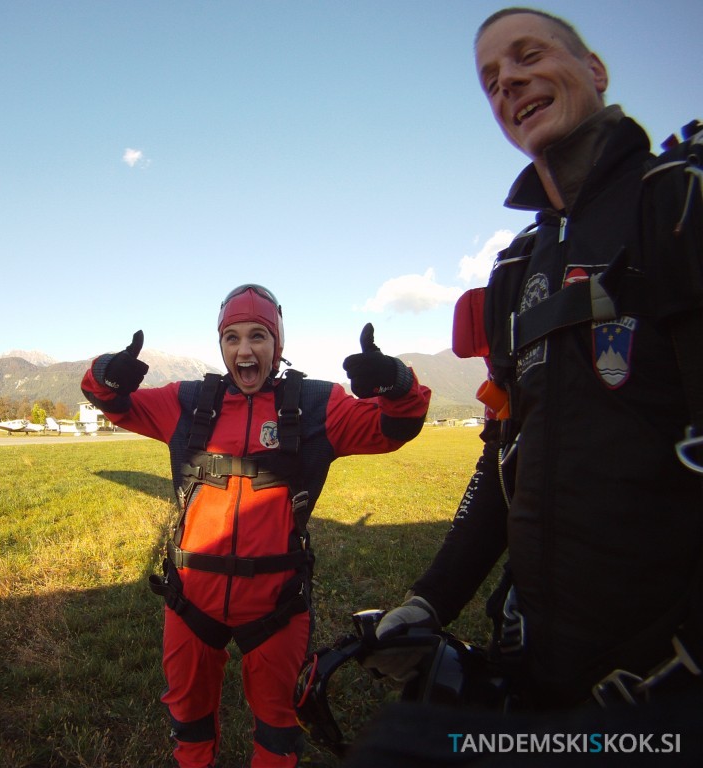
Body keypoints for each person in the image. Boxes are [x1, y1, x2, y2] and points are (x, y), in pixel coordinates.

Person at [370, 7, 702, 713]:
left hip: (665, 686)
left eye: (528, 56)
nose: (508, 83)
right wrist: (430, 601)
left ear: (595, 70)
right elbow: (503, 461)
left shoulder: (679, 203)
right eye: (490, 79)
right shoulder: (517, 268)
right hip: (536, 665)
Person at [81, 284, 431, 767]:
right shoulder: (187, 401)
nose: (244, 350)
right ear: (221, 346)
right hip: (191, 600)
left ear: (277, 344)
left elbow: (398, 426)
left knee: (278, 728)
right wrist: (109, 372)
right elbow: (106, 399)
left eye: (258, 336)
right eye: (232, 338)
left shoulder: (317, 404)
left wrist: (395, 381)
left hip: (276, 606)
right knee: (189, 719)